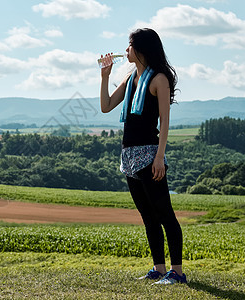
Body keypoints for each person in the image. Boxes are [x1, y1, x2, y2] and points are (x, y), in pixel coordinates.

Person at [100, 28, 187, 285]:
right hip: (128, 156)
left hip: (150, 155)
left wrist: (160, 156)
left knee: (165, 214)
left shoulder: (159, 79)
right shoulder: (129, 79)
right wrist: (104, 77)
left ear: (141, 49)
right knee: (147, 216)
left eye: (129, 45)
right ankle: (159, 268)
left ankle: (178, 272)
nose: (126, 50)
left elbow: (165, 122)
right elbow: (105, 106)